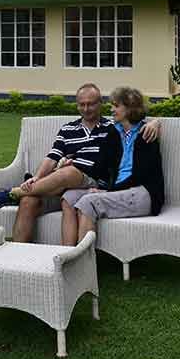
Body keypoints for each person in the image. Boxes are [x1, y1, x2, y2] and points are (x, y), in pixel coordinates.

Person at [0, 83, 160, 245]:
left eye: (91, 104)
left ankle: (12, 193)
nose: (86, 108)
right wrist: (36, 178)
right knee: (29, 200)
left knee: (70, 173)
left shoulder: (111, 128)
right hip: (63, 181)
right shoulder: (69, 129)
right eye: (82, 104)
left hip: (92, 179)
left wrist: (156, 122)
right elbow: (52, 156)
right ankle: (21, 253)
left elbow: (137, 125)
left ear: (100, 104)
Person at [61, 86, 164, 243]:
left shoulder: (146, 133)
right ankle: (67, 254)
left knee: (89, 202)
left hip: (143, 193)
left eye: (116, 105)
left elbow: (141, 175)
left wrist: (107, 192)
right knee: (69, 198)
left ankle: (83, 262)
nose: (111, 109)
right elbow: (98, 167)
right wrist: (73, 163)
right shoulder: (113, 133)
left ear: (129, 108)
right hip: (117, 190)